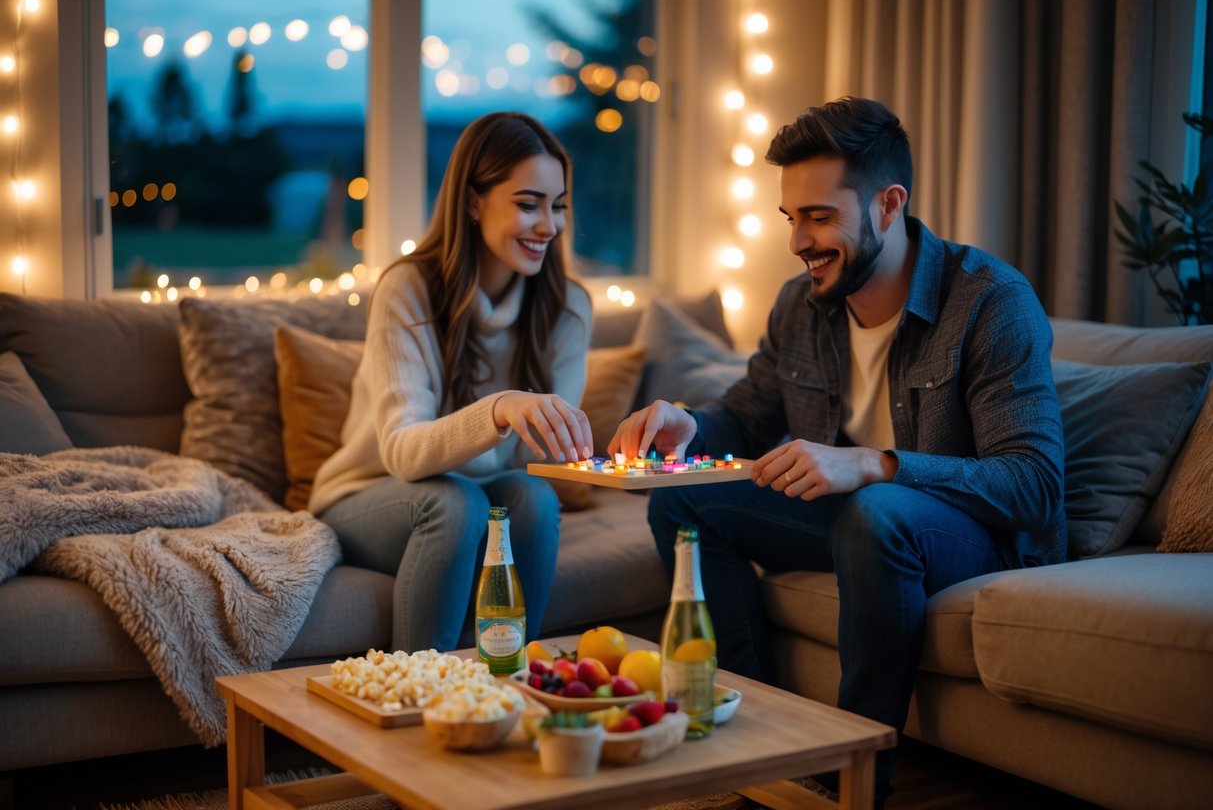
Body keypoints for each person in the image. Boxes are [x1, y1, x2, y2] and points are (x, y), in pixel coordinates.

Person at [609, 96, 1066, 806]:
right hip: (852, 521)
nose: (797, 240)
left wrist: (874, 463)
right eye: (791, 217)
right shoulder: (801, 303)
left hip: (966, 536)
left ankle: (851, 780)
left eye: (819, 217)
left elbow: (1032, 485)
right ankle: (752, 734)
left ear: (888, 205)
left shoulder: (988, 301)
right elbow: (746, 414)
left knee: (875, 510)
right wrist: (687, 425)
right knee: (684, 499)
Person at [310, 112, 593, 653]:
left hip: (481, 500)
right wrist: (499, 409)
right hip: (372, 497)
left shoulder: (569, 308)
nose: (548, 226)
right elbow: (400, 451)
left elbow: (540, 463)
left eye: (557, 206)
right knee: (454, 503)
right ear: (472, 202)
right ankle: (415, 700)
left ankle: (508, 687)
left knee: (531, 496)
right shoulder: (408, 289)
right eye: (528, 203)